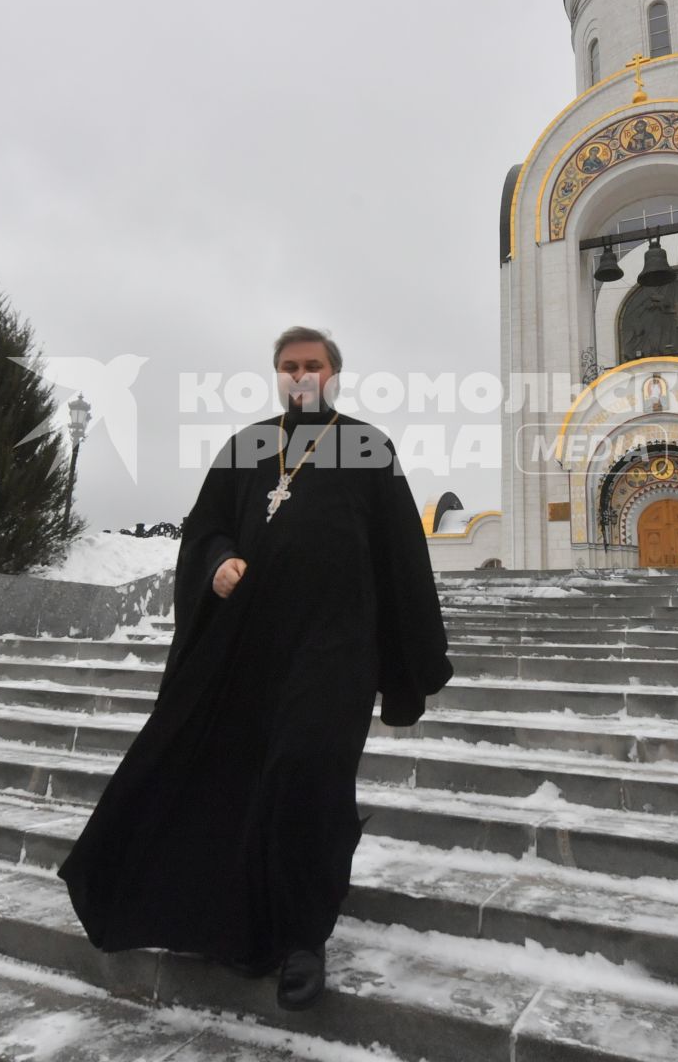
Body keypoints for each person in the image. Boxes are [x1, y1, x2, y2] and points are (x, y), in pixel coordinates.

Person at [58, 326, 453, 1011]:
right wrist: (215, 565)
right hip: (252, 646)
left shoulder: (368, 448)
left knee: (307, 772)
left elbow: (400, 557)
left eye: (314, 365)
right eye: (289, 366)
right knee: (238, 776)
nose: (301, 375)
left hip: (335, 649)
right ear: (276, 375)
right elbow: (205, 527)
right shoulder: (247, 447)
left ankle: (304, 938)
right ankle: (231, 913)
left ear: (334, 374)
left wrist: (406, 667)